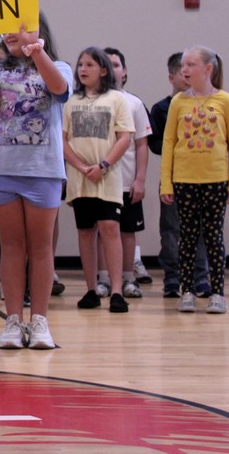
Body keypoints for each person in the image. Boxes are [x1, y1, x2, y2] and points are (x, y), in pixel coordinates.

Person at [0, 15, 72, 349]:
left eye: (20, 26)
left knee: (41, 247)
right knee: (12, 247)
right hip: (2, 169)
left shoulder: (59, 65)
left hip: (42, 169)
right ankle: (13, 321)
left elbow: (59, 89)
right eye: (7, 29)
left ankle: (40, 321)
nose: (11, 33)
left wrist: (37, 51)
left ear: (38, 30)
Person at [160, 46, 229, 314]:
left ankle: (217, 292)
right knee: (187, 236)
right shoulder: (178, 102)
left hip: (216, 180)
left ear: (208, 69)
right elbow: (169, 143)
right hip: (184, 180)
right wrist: (166, 183)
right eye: (183, 65)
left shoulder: (225, 101)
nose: (184, 70)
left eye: (191, 64)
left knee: (213, 236)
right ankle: (187, 291)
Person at [63, 47, 133, 313]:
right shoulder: (71, 102)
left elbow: (124, 137)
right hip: (80, 178)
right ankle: (91, 289)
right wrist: (81, 166)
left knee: (110, 228)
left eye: (89, 64)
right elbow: (63, 140)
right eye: (80, 64)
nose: (83, 69)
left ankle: (116, 290)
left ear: (103, 70)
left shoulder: (117, 99)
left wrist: (103, 165)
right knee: (85, 232)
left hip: (107, 177)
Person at [150, 52, 210, 297]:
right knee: (172, 229)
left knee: (201, 229)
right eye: (181, 71)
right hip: (174, 177)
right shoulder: (162, 108)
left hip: (202, 176)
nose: (186, 76)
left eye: (190, 69)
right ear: (171, 77)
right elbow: (154, 144)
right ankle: (173, 278)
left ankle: (200, 277)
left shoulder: (207, 104)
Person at [102, 48, 152, 299]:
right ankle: (104, 279)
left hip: (127, 181)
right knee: (103, 230)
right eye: (107, 64)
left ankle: (129, 278)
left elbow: (142, 144)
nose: (112, 69)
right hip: (101, 182)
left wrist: (140, 179)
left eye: (116, 64)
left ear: (125, 71)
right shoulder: (93, 103)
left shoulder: (134, 103)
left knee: (127, 231)